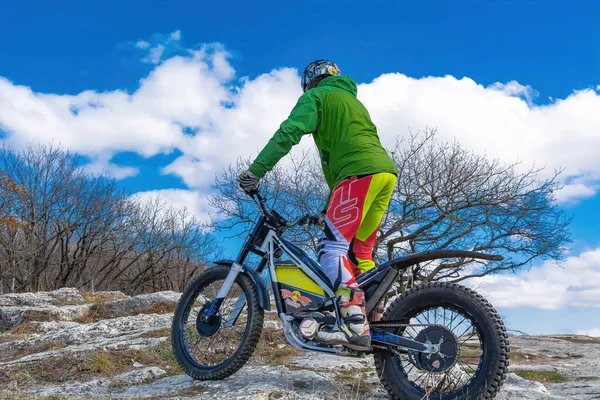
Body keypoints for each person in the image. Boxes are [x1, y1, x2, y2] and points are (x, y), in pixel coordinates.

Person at [238, 59, 397, 351]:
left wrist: (255, 172)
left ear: (310, 81)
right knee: (359, 252)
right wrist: (327, 209)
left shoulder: (316, 96)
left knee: (331, 248)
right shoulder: (351, 100)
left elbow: (289, 132)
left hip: (357, 174)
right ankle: (376, 316)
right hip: (383, 175)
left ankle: (352, 325)